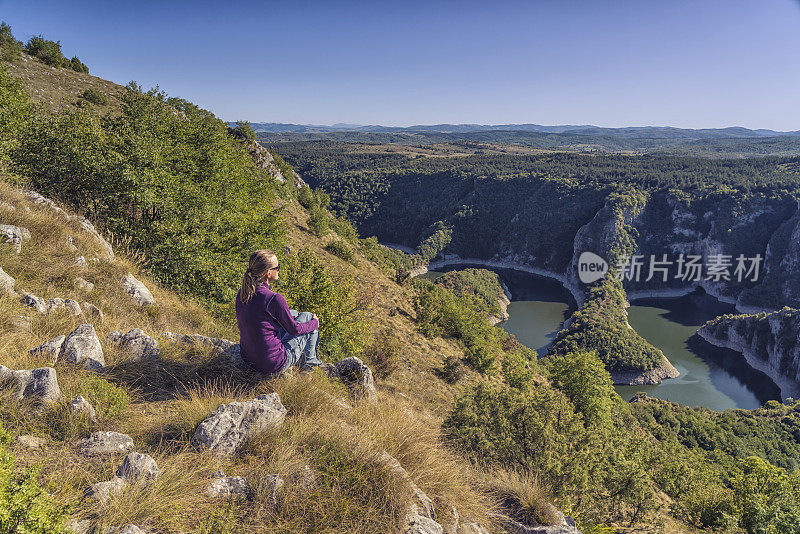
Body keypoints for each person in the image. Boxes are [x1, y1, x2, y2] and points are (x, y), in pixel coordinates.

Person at [235, 249, 322, 375]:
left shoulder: (243, 292)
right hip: (273, 364)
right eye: (277, 267)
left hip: (248, 358)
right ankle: (308, 367)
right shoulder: (274, 299)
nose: (279, 269)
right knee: (308, 317)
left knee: (293, 312)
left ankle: (307, 363)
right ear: (268, 273)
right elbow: (294, 330)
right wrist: (315, 323)